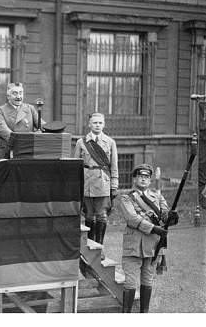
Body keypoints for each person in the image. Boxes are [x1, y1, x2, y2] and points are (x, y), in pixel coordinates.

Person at [117, 164, 178, 313]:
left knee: (148, 280)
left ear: (150, 181)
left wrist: (172, 217)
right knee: (130, 282)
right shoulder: (127, 197)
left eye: (146, 177)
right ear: (134, 179)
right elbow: (132, 218)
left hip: (152, 246)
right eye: (140, 177)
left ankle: (144, 314)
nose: (143, 179)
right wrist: (154, 228)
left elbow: (164, 216)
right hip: (133, 246)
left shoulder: (157, 197)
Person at [73, 112, 118, 253]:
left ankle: (99, 249)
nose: (97, 125)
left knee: (102, 217)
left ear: (104, 125)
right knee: (89, 216)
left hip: (103, 183)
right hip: (87, 183)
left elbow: (114, 166)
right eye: (95, 123)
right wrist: (75, 185)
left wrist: (114, 185)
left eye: (100, 123)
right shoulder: (81, 142)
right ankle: (89, 249)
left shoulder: (110, 142)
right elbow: (75, 165)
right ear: (89, 124)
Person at [0, 82, 41, 161]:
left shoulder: (30, 108)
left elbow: (41, 124)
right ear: (8, 96)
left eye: (20, 93)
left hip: (27, 150)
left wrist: (52, 129)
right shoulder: (1, 110)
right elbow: (3, 130)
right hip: (7, 152)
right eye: (15, 94)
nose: (19, 97)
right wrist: (21, 141)